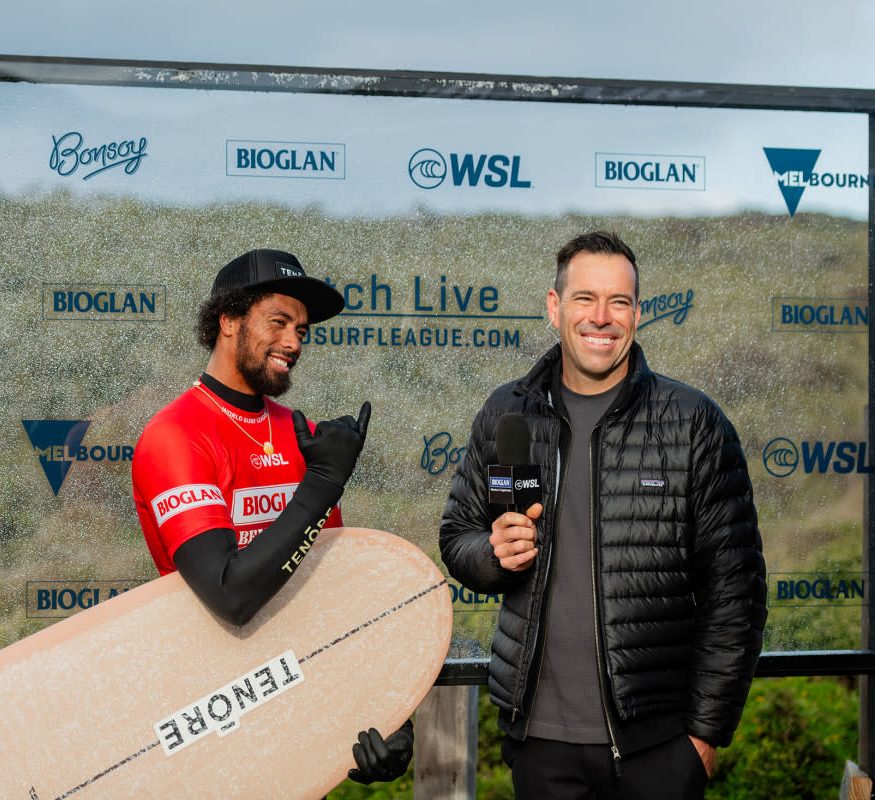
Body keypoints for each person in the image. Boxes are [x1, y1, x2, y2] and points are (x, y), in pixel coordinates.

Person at [438, 231, 767, 799]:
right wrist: (493, 556)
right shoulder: (506, 413)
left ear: (637, 314)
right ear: (553, 307)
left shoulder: (693, 422)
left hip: (659, 748)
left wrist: (704, 736)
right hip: (541, 745)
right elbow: (457, 537)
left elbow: (736, 593)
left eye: (619, 302)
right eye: (585, 298)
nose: (602, 317)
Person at [131, 248, 413, 787]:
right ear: (228, 321)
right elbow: (230, 595)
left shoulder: (294, 428)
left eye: (302, 330)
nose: (293, 343)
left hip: (297, 714)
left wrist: (385, 715)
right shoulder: (177, 433)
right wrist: (323, 484)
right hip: (217, 727)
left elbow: (330, 592)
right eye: (278, 322)